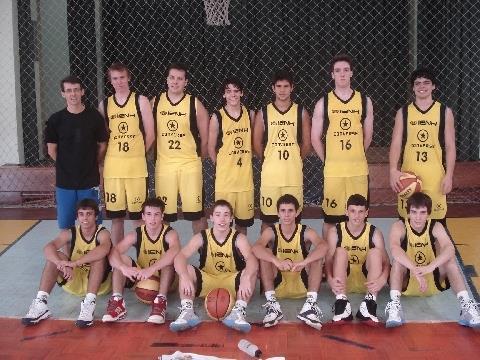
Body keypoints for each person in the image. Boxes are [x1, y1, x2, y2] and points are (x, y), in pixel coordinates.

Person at [385, 192, 480, 328]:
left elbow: (449, 248)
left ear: (429, 213)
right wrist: (415, 269)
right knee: (397, 261)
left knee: (449, 259)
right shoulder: (399, 226)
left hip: (432, 279)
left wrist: (429, 267)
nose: (418, 217)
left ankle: (466, 307)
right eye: (414, 212)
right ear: (408, 212)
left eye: (422, 212)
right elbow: (394, 249)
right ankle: (395, 305)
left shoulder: (435, 226)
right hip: (406, 282)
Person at [170, 199, 258, 333]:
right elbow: (180, 257)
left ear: (231, 218)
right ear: (211, 218)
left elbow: (251, 259)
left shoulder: (239, 238)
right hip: (208, 279)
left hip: (231, 281)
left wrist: (246, 278)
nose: (222, 219)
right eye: (218, 215)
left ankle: (238, 312)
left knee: (251, 271)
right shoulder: (202, 237)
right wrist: (184, 276)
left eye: (226, 215)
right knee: (186, 269)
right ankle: (187, 312)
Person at [22, 199, 112, 328]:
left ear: (96, 216)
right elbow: (49, 247)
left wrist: (74, 263)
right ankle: (41, 303)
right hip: (74, 280)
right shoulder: (70, 232)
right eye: (81, 214)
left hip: (99, 286)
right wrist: (60, 263)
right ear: (77, 216)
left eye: (89, 214)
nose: (85, 218)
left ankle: (89, 304)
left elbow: (103, 249)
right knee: (55, 255)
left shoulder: (103, 233)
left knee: (97, 257)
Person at [311, 54, 374, 239]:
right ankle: (330, 261)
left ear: (352, 73)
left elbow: (368, 135)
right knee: (331, 219)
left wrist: (356, 154)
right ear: (332, 75)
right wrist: (328, 160)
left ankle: (357, 259)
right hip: (334, 172)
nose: (342, 74)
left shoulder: (364, 101)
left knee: (358, 218)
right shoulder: (324, 102)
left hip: (357, 170)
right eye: (338, 71)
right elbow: (315, 138)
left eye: (346, 70)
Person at [389, 68, 456, 225]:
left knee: (437, 225)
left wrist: (449, 175)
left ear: (434, 86)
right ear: (413, 87)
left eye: (426, 82)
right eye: (417, 83)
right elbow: (396, 143)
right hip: (408, 177)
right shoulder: (403, 112)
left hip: (435, 177)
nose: (422, 86)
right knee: (408, 224)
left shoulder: (444, 112)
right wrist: (393, 170)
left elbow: (450, 146)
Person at [99, 63, 155, 246]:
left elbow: (151, 134)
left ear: (128, 78)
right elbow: (104, 137)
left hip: (135, 169)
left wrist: (137, 153)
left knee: (138, 218)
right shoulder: (105, 104)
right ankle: (118, 261)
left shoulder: (141, 100)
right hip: (113, 169)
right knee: (116, 219)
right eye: (115, 78)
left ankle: (143, 257)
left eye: (122, 77)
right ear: (110, 81)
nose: (119, 82)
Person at [252, 194, 328, 330]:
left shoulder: (305, 232)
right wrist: (276, 261)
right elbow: (256, 248)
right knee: (266, 253)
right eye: (283, 211)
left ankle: (310, 306)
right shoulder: (271, 231)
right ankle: (272, 304)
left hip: (302, 284)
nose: (286, 215)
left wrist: (305, 262)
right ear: (277, 213)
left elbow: (323, 246)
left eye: (290, 210)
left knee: (316, 256)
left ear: (297, 212)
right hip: (277, 285)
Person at [102, 197, 180, 324]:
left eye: (156, 214)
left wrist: (152, 269)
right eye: (149, 214)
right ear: (143, 216)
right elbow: (114, 252)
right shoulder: (136, 234)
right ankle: (117, 301)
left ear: (162, 216)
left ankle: (161, 301)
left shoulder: (170, 233)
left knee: (169, 260)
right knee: (121, 259)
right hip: (143, 277)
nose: (152, 219)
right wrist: (123, 267)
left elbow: (175, 251)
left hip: (166, 279)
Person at [152, 63, 209, 234]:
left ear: (186, 82)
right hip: (165, 165)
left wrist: (198, 159)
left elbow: (205, 137)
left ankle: (203, 257)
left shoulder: (194, 103)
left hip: (189, 164)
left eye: (179, 78)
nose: (175, 82)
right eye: (172, 77)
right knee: (163, 216)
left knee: (197, 215)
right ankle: (165, 258)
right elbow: (147, 132)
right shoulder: (155, 102)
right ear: (166, 80)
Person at [45, 75, 108, 229]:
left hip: (90, 180)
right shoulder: (55, 120)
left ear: (82, 92)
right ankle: (67, 253)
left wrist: (94, 163)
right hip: (65, 182)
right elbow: (52, 150)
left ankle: (95, 252)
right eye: (68, 91)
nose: (72, 94)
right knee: (65, 224)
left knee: (93, 223)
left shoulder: (94, 117)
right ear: (63, 94)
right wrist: (66, 164)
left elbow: (102, 145)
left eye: (76, 90)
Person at [253, 69, 311, 232]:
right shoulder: (264, 112)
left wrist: (295, 159)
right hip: (271, 176)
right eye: (279, 86)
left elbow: (307, 144)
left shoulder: (301, 112)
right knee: (268, 221)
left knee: (294, 220)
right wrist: (268, 158)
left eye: (286, 86)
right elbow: (256, 143)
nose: (282, 90)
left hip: (292, 176)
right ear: (273, 88)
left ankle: (293, 253)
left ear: (292, 88)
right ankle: (267, 256)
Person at [325, 194, 390, 324]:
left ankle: (369, 303)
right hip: (342, 282)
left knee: (376, 253)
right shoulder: (335, 231)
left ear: (366, 213)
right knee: (340, 252)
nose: (357, 215)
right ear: (346, 211)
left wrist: (383, 279)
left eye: (361, 212)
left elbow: (386, 262)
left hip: (368, 282)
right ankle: (341, 303)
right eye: (353, 211)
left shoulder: (374, 232)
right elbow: (328, 261)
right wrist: (330, 279)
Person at [207, 77, 255, 235]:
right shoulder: (217, 117)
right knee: (222, 225)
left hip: (244, 181)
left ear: (242, 93)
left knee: (243, 226)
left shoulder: (250, 115)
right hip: (225, 182)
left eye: (236, 91)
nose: (232, 95)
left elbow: (254, 143)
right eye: (228, 91)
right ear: (223, 95)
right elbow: (210, 147)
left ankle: (240, 257)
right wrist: (222, 166)